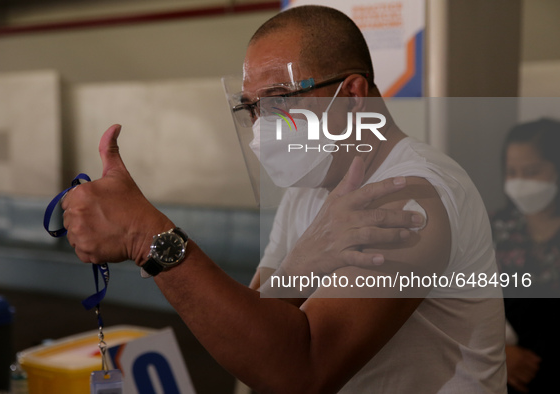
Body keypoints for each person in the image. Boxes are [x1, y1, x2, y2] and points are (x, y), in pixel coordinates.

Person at [62, 5, 506, 393]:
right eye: (252, 107)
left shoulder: (410, 198)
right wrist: (300, 264)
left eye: (278, 101)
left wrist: (148, 236)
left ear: (352, 94)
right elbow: (257, 331)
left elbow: (299, 370)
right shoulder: (309, 190)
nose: (261, 126)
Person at [491, 118, 560, 393]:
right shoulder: (494, 229)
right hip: (510, 378)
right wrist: (500, 352)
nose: (520, 182)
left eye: (531, 171)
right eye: (512, 172)